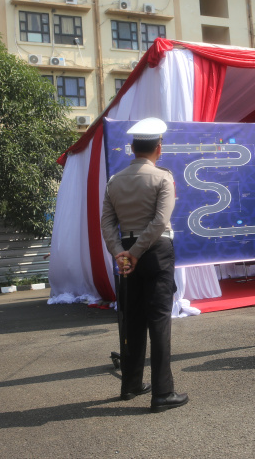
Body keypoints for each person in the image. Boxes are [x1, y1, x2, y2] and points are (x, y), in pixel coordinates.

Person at [101, 117, 189, 412]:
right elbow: (160, 221)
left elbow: (107, 222)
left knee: (133, 320)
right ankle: (163, 393)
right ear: (158, 149)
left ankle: (131, 384)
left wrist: (121, 252)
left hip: (127, 251)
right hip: (156, 251)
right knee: (159, 321)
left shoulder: (115, 180)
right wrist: (138, 251)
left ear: (132, 148)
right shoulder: (162, 178)